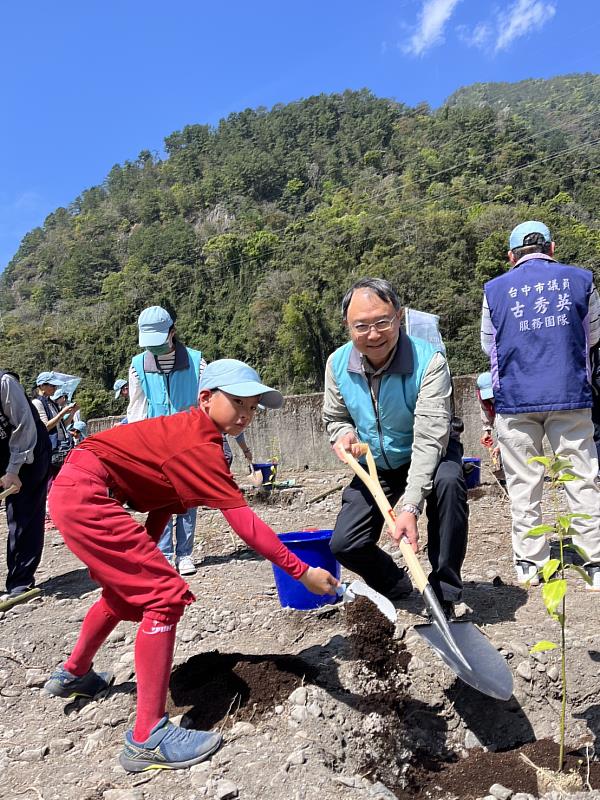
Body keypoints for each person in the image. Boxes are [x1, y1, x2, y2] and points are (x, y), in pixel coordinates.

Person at [43, 359, 338, 772]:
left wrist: (144, 551)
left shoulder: (190, 436)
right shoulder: (199, 447)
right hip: (87, 495)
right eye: (237, 402)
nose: (245, 414)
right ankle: (147, 737)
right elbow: (247, 527)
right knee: (163, 597)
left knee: (128, 591)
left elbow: (165, 501)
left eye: (253, 407)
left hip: (78, 490)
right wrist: (301, 571)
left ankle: (74, 673)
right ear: (206, 398)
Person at [323, 278, 468, 619]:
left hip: (431, 454)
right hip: (377, 462)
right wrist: (342, 435)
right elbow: (335, 417)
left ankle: (444, 591)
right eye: (361, 326)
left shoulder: (429, 362)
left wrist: (410, 506)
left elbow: (430, 438)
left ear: (399, 317)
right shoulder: (337, 364)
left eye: (382, 322)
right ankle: (394, 583)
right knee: (345, 543)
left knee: (448, 483)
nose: (373, 334)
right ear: (348, 325)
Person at [481, 220, 600, 587]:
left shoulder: (494, 290)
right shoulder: (581, 279)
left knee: (523, 480)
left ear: (510, 256)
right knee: (581, 476)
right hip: (569, 392)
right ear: (551, 248)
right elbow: (593, 335)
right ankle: (594, 561)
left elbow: (489, 344)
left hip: (516, 398)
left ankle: (530, 563)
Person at [127, 306, 204, 576]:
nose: (154, 349)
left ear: (173, 332)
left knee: (186, 500)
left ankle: (185, 554)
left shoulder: (197, 362)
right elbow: (136, 408)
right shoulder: (138, 366)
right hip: (154, 444)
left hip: (188, 443)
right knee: (159, 501)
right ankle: (162, 554)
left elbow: (205, 404)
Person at [0, 370, 51, 604]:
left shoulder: (5, 383)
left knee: (22, 515)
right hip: (4, 455)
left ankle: (20, 583)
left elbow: (24, 428)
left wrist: (13, 470)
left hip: (29, 454)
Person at [31, 372, 79, 529]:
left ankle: (56, 512)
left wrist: (70, 413)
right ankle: (47, 516)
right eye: (52, 385)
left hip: (59, 445)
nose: (55, 388)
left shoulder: (51, 403)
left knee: (58, 479)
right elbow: (45, 426)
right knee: (49, 480)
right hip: (48, 447)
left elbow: (62, 426)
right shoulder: (37, 403)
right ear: (42, 386)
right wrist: (62, 413)